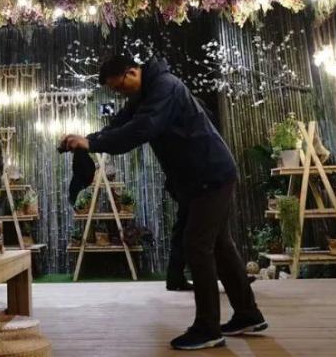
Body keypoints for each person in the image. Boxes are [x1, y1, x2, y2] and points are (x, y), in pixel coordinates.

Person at [61, 55, 266, 351]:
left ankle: (208, 328)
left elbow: (142, 128)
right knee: (220, 245)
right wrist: (86, 139)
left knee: (197, 246)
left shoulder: (165, 87)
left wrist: (92, 144)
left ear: (132, 72)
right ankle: (248, 314)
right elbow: (121, 123)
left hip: (210, 174)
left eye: (119, 87)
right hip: (199, 178)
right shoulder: (144, 93)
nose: (120, 94)